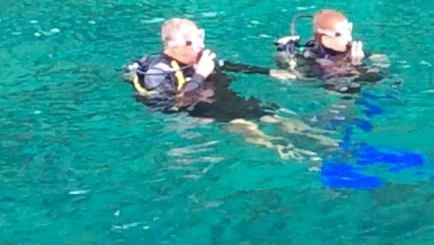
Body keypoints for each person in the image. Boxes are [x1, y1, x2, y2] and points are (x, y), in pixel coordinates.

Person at [125, 17, 326, 161]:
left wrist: (269, 72)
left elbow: (227, 65)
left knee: (276, 116)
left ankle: (324, 143)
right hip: (204, 110)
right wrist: (200, 74)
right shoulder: (157, 73)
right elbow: (178, 103)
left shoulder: (198, 57)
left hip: (227, 98)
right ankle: (294, 154)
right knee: (248, 126)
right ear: (178, 45)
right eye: (196, 41)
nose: (201, 45)